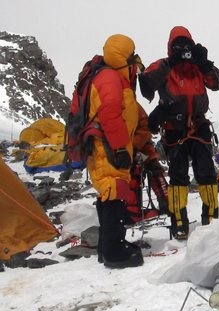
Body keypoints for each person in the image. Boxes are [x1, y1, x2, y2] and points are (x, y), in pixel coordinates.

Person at [139, 26, 219, 240]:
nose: (184, 50)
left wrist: (204, 63)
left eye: (187, 45)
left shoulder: (198, 67)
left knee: (206, 173)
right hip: (173, 129)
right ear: (171, 48)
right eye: (179, 46)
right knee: (178, 177)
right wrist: (170, 62)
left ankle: (212, 220)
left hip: (199, 126)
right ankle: (179, 222)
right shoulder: (164, 66)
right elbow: (146, 83)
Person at [84, 34, 145, 269]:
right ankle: (114, 251)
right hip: (108, 144)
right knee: (113, 189)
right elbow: (110, 113)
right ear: (123, 56)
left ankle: (106, 247)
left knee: (110, 190)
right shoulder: (110, 78)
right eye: (131, 54)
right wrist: (120, 147)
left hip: (104, 142)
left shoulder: (106, 76)